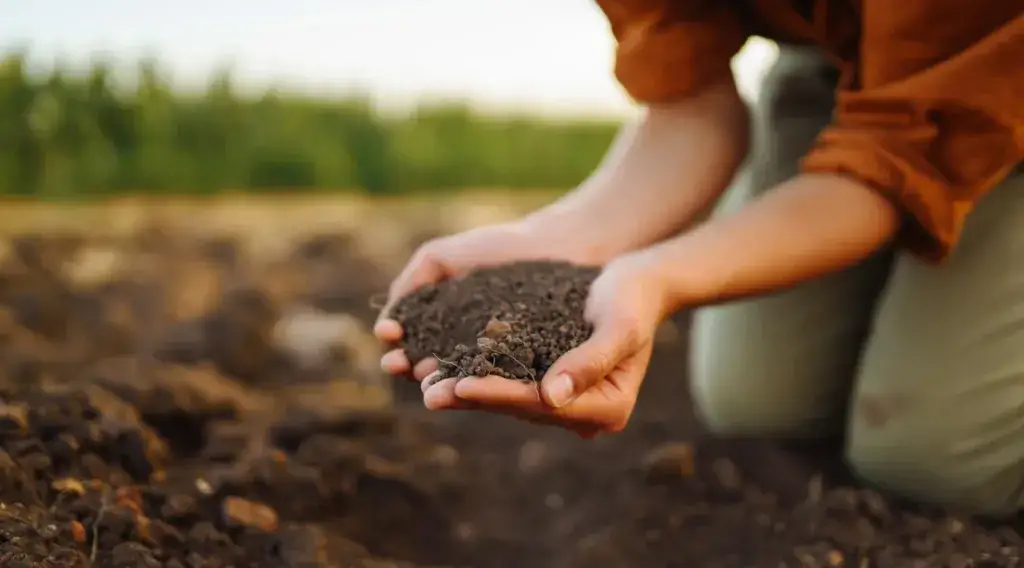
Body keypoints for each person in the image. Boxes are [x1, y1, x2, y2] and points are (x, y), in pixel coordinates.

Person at [375, 1, 1024, 515]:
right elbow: (690, 108)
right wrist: (563, 241)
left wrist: (662, 276)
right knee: (762, 402)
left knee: (934, 459)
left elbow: (888, 169)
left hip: (996, 59)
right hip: (847, 66)